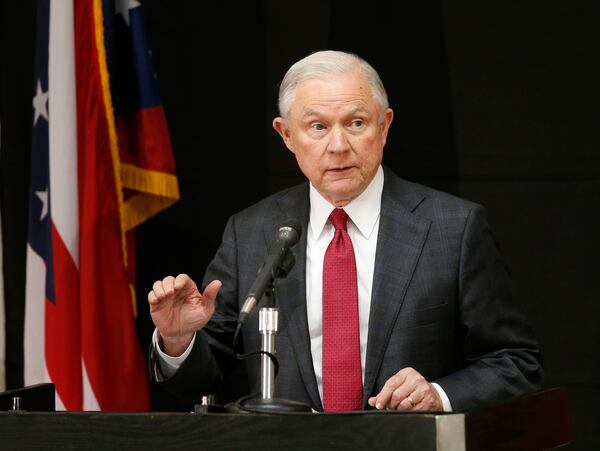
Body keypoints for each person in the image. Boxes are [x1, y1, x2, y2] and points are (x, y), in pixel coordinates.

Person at [147, 50, 543, 412]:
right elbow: (207, 375)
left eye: (356, 123)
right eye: (317, 127)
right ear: (286, 136)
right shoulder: (250, 232)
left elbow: (515, 363)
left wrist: (438, 395)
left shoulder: (454, 229)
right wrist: (179, 342)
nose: (338, 145)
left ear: (384, 126)